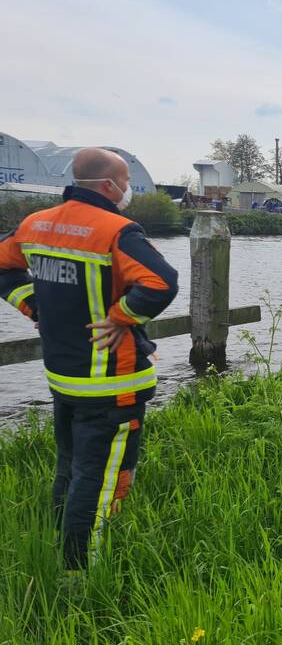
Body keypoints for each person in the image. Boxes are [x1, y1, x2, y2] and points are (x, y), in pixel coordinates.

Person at [0, 148, 179, 572]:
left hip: (63, 375)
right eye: (126, 182)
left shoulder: (36, 224)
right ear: (108, 185)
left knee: (70, 464)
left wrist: (35, 308)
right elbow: (162, 282)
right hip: (110, 381)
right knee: (98, 480)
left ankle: (59, 538)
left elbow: (4, 269)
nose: (128, 191)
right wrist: (121, 317)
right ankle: (79, 575)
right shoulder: (117, 231)